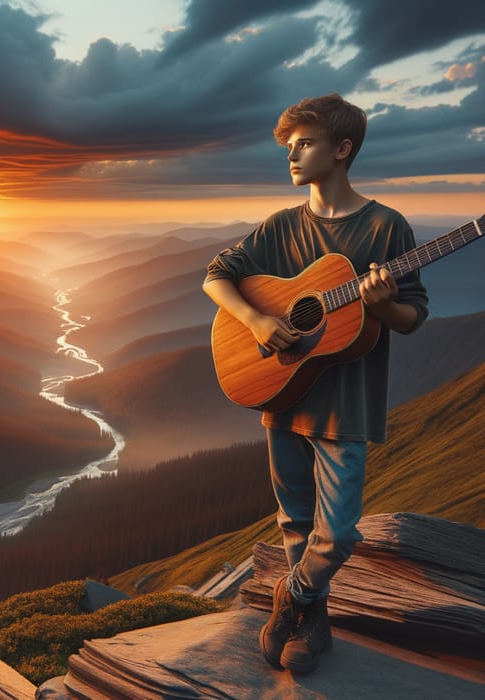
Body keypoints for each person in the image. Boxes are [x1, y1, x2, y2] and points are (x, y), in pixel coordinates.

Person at [202, 93, 428, 674]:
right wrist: (257, 319)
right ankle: (314, 624)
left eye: (304, 143)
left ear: (343, 149)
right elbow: (217, 277)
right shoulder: (281, 227)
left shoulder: (386, 227)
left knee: (339, 533)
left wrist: (381, 306)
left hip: (345, 404)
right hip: (281, 393)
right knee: (294, 522)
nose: (292, 155)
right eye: (289, 145)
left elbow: (413, 315)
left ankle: (292, 595)